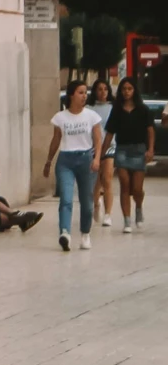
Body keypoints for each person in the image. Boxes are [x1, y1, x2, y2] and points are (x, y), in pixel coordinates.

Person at [42, 80, 106, 251]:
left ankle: (85, 234)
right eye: (80, 92)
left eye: (85, 92)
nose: (84, 96)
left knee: (86, 202)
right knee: (66, 198)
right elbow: (56, 140)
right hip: (66, 161)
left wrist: (97, 158)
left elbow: (98, 140)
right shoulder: (60, 118)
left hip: (86, 159)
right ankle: (65, 233)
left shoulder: (91, 116)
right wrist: (48, 161)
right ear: (71, 95)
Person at [105, 76, 157, 233]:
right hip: (122, 150)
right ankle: (127, 221)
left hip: (139, 150)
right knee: (124, 185)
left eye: (129, 88)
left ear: (134, 90)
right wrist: (102, 152)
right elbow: (110, 133)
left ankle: (139, 207)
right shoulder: (117, 110)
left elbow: (150, 131)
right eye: (123, 89)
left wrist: (150, 150)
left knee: (136, 188)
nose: (126, 92)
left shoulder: (143, 110)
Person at [91, 78, 116, 227]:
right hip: (92, 148)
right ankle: (96, 204)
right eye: (99, 89)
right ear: (95, 91)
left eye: (105, 89)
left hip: (110, 146)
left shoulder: (113, 107)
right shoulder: (89, 108)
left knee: (107, 179)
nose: (103, 92)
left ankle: (108, 214)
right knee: (96, 181)